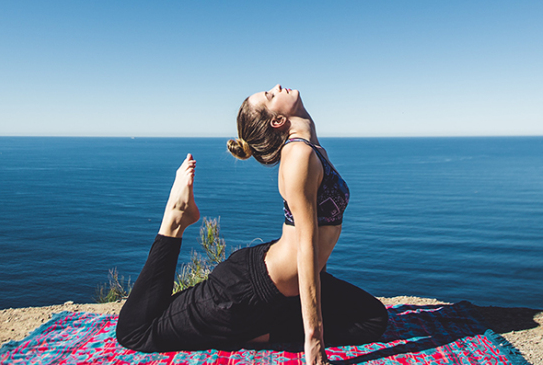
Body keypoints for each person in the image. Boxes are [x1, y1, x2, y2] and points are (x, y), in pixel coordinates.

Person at [116, 85, 388, 364]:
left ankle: (254, 329)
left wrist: (314, 289)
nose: (277, 87)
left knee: (373, 319)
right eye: (270, 95)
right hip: (245, 290)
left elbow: (316, 241)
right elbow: (305, 248)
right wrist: (314, 342)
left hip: (282, 287)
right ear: (278, 121)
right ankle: (175, 218)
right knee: (137, 332)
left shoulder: (313, 150)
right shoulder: (298, 156)